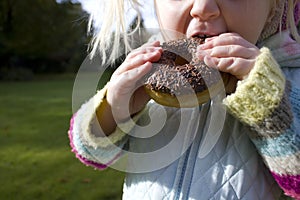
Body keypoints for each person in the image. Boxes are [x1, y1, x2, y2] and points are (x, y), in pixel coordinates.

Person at [68, 0, 300, 199]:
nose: (203, 7)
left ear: (275, 7)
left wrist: (265, 100)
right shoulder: (148, 71)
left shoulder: (289, 78)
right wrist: (116, 106)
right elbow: (91, 151)